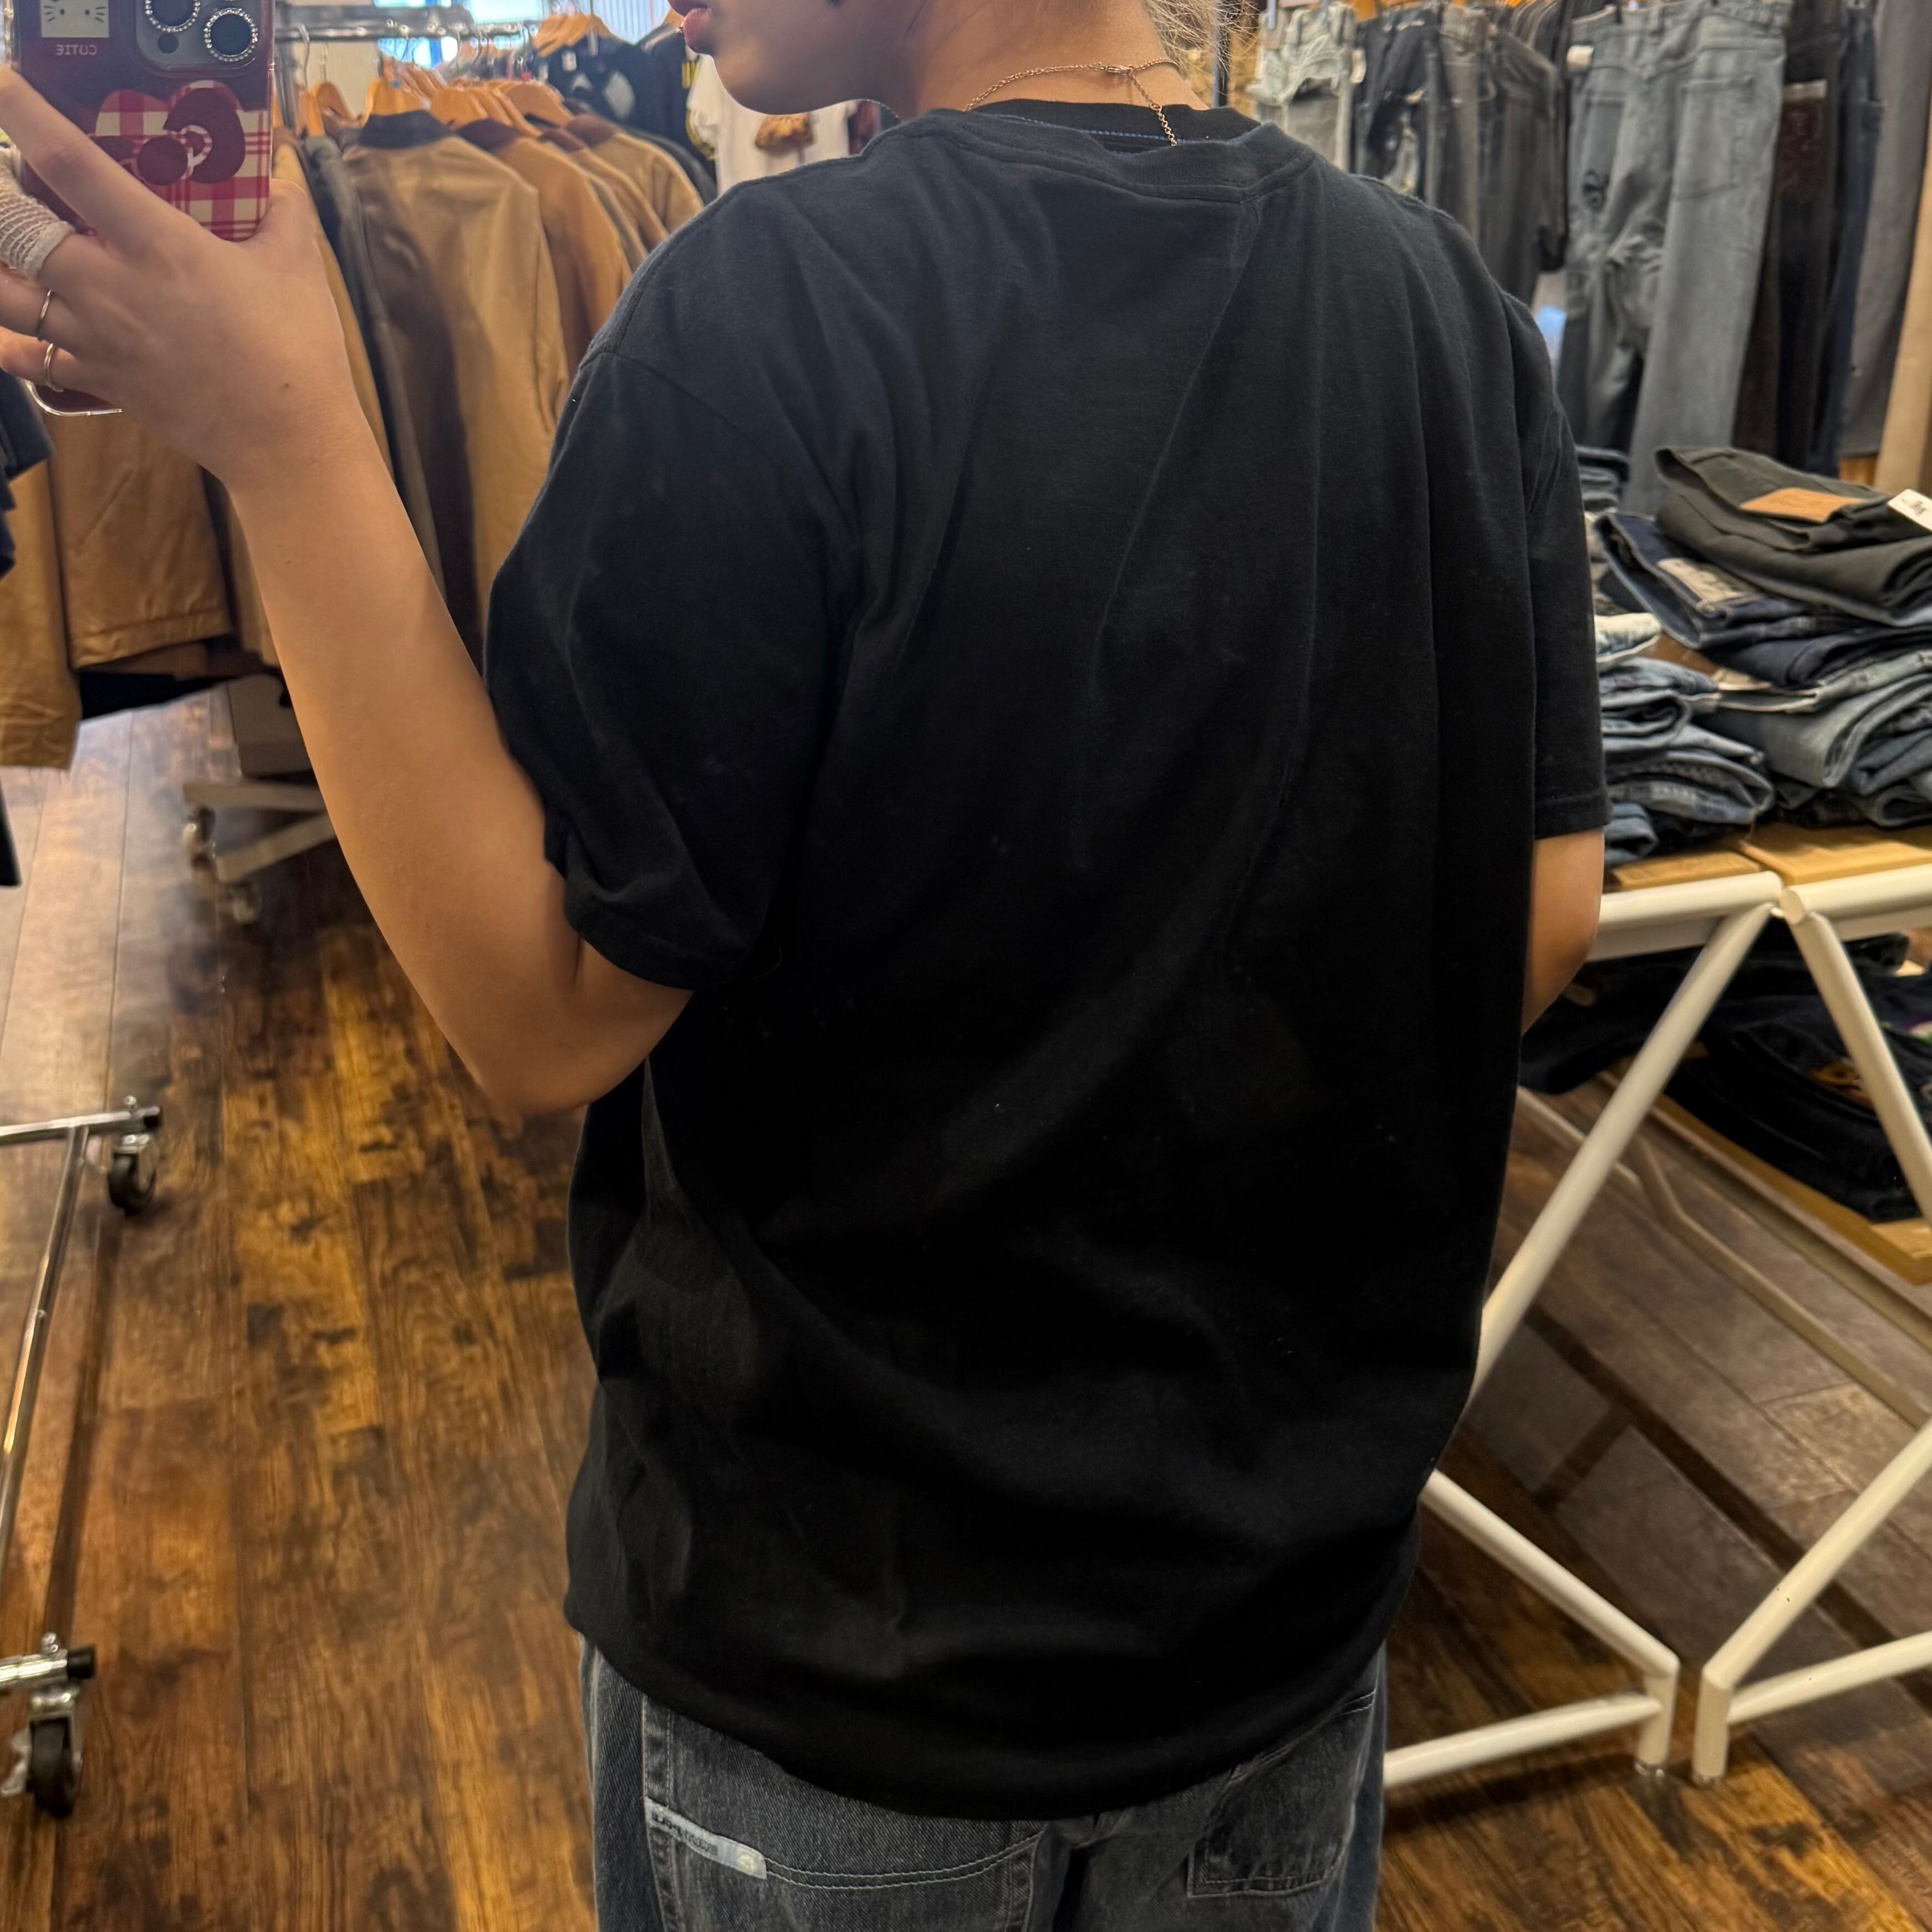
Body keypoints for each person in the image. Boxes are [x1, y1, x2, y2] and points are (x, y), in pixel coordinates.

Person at [0, 0, 1605, 1910]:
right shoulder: (1436, 301)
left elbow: (544, 1014)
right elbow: (1539, 914)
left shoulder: (767, 311)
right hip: (1280, 1628)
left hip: (852, 1656)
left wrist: (285, 438)